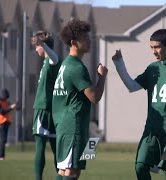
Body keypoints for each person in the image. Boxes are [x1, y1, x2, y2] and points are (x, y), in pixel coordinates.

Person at [112, 29, 166, 180]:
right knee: (140, 165)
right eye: (151, 47)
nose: (153, 51)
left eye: (157, 47)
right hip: (152, 127)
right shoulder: (153, 68)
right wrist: (119, 64)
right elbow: (132, 86)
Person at [52, 19, 108, 179]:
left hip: (65, 126)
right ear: (74, 42)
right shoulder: (76, 67)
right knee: (72, 171)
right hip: (73, 127)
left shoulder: (65, 65)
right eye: (85, 38)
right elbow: (94, 97)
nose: (89, 40)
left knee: (64, 170)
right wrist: (102, 77)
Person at [31, 31, 67, 180]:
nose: (35, 50)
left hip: (43, 108)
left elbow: (55, 58)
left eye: (37, 46)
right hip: (52, 109)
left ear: (43, 46)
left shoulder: (51, 61)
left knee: (41, 145)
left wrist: (43, 44)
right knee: (54, 148)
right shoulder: (46, 62)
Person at [0, 88, 17, 160]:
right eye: (5, 97)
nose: (6, 99)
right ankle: (1, 156)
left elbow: (10, 110)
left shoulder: (6, 101)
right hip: (0, 122)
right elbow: (2, 112)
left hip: (6, 122)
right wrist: (10, 108)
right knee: (2, 139)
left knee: (4, 140)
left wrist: (14, 107)